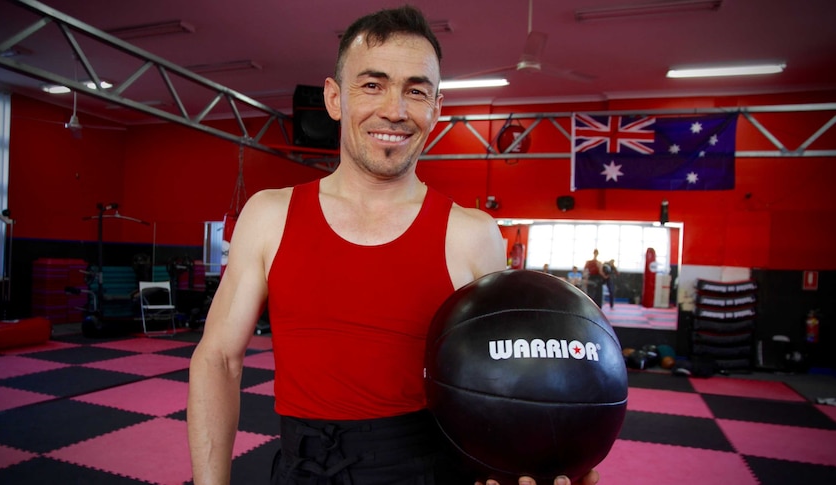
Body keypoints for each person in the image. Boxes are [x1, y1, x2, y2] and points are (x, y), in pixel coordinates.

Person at [187, 6, 600, 485]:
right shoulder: (269, 216)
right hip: (305, 469)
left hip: (431, 471)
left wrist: (529, 464)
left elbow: (500, 383)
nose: (396, 110)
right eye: (372, 84)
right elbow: (217, 359)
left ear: (437, 109)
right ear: (334, 98)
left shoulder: (472, 234)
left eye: (416, 91)